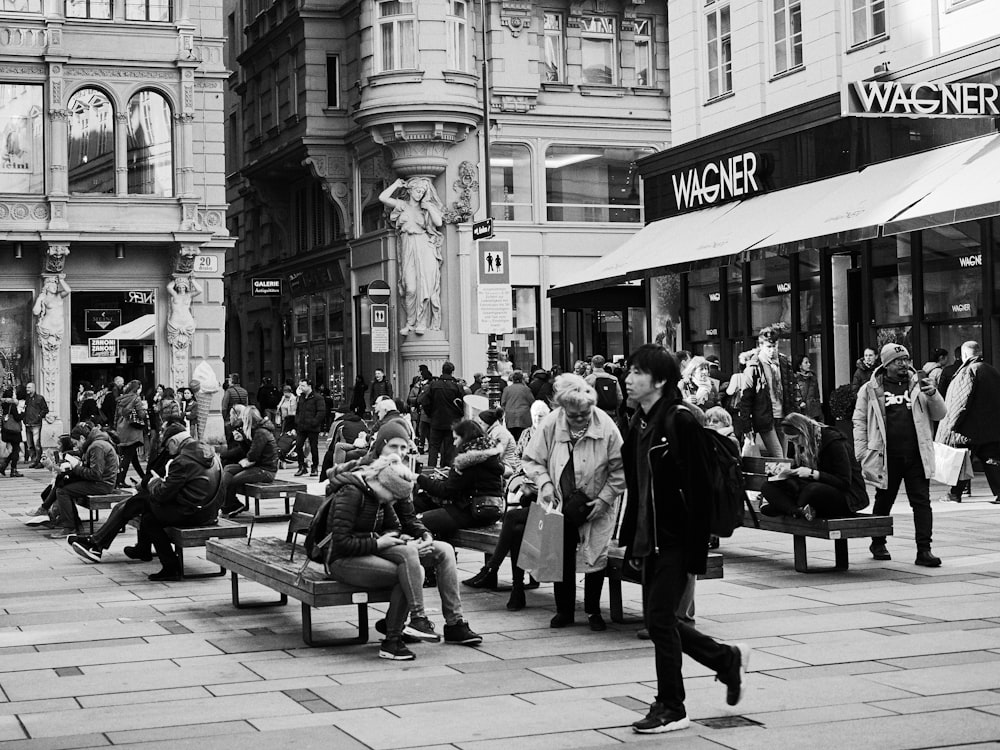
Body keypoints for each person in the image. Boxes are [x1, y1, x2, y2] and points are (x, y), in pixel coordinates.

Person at [619, 344, 749, 734]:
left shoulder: (680, 421)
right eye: (629, 371)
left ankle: (672, 706)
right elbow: (638, 486)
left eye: (637, 372)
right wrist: (631, 538)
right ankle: (725, 659)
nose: (628, 379)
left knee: (660, 621)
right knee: (661, 622)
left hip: (675, 538)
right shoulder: (639, 422)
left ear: (659, 381)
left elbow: (699, 489)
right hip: (649, 537)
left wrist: (696, 550)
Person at [325, 451, 481, 660]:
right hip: (343, 560)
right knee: (408, 568)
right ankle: (397, 635)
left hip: (374, 549)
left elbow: (395, 526)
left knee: (442, 550)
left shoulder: (380, 496)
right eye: (393, 496)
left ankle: (453, 623)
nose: (393, 501)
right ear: (384, 484)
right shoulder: (352, 493)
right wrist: (379, 543)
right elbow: (341, 542)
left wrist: (414, 538)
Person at [521, 373, 625, 631]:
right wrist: (544, 483)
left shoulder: (607, 426)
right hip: (558, 501)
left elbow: (621, 469)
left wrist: (605, 499)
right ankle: (564, 611)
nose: (580, 419)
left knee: (596, 556)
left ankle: (593, 611)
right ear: (562, 408)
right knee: (559, 554)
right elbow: (533, 459)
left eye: (584, 414)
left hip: (596, 501)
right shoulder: (550, 423)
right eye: (573, 415)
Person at [854, 343, 946, 566]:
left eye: (906, 359)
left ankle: (924, 550)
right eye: (898, 361)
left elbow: (940, 414)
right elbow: (859, 421)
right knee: (884, 500)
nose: (904, 364)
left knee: (922, 503)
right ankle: (878, 542)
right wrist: (863, 453)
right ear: (886, 364)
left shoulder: (919, 384)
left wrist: (933, 394)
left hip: (916, 454)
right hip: (886, 455)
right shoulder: (870, 388)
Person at [464, 399, 551, 609]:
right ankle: (516, 589)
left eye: (542, 416)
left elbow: (552, 473)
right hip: (533, 497)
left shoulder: (552, 439)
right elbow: (521, 465)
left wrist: (536, 484)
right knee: (517, 530)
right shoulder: (527, 434)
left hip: (549, 505)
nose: (539, 420)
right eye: (536, 417)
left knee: (512, 520)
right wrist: (520, 482)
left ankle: (494, 570)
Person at [67, 420, 186, 563]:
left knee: (132, 506)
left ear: (174, 439)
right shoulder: (170, 451)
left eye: (163, 431)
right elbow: (156, 474)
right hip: (160, 493)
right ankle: (101, 543)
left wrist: (148, 484)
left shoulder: (177, 456)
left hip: (169, 499)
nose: (160, 434)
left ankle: (95, 543)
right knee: (125, 506)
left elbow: (162, 479)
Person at [141, 427, 226, 580]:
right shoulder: (211, 455)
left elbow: (162, 494)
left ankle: (170, 567)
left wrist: (154, 482)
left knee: (149, 517)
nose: (167, 450)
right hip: (210, 512)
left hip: (192, 514)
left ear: (174, 441)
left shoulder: (181, 461)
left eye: (167, 446)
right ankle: (144, 549)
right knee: (148, 507)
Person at [759, 413, 869, 520]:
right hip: (811, 490)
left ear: (804, 432)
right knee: (767, 486)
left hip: (845, 496)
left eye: (795, 439)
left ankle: (786, 508)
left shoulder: (834, 442)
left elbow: (844, 482)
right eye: (791, 441)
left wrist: (813, 473)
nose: (795, 444)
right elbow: (799, 475)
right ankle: (797, 511)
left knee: (812, 490)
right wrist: (784, 472)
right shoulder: (800, 444)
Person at [415, 419, 505, 538]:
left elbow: (446, 491)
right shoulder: (489, 455)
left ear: (465, 438)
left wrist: (419, 479)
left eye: (456, 439)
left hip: (471, 512)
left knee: (418, 523)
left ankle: (438, 554)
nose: (454, 444)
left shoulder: (468, 461)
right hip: (490, 511)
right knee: (434, 514)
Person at [936, 341, 1000, 504]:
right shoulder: (992, 370)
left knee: (962, 461)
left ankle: (954, 494)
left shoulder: (968, 371)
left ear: (964, 355)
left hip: (969, 428)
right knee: (991, 459)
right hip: (990, 428)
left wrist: (949, 425)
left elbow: (960, 402)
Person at [379, 176, 444, 335]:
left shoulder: (425, 207)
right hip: (407, 245)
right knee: (410, 288)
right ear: (410, 190)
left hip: (424, 246)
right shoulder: (402, 205)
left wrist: (429, 207)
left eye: (422, 192)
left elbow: (439, 223)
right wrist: (395, 183)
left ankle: (422, 323)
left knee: (425, 286)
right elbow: (382, 198)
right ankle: (410, 323)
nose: (419, 194)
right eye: (417, 190)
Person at [50, 421, 120, 539]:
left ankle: (69, 527)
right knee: (63, 484)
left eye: (75, 443)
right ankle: (71, 523)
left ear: (82, 438)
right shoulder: (95, 443)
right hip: (102, 481)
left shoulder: (97, 446)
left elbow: (96, 474)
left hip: (102, 484)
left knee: (63, 491)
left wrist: (76, 467)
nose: (76, 446)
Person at [738, 324, 797, 458]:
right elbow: (746, 397)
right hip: (765, 417)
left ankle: (778, 478)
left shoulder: (783, 362)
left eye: (774, 346)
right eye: (768, 347)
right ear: (761, 346)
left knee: (783, 457)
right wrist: (746, 426)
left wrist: (794, 413)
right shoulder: (754, 365)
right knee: (778, 455)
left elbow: (790, 389)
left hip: (783, 415)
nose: (772, 350)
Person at [221, 407, 278, 517]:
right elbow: (250, 452)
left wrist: (247, 460)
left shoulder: (261, 432)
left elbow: (253, 455)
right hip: (257, 466)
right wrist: (242, 441)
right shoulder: (257, 430)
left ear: (248, 419)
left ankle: (230, 505)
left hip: (266, 470)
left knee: (234, 480)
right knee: (228, 469)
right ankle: (228, 504)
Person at [420, 361, 464, 468]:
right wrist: (458, 415)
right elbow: (462, 404)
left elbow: (424, 401)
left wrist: (430, 413)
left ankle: (431, 468)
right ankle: (446, 468)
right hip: (451, 421)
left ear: (442, 370)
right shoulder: (457, 387)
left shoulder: (433, 385)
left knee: (434, 447)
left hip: (436, 420)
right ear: (452, 371)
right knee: (449, 447)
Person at [114, 380, 148, 488]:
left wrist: (116, 428)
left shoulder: (121, 399)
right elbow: (141, 414)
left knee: (133, 458)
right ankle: (120, 480)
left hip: (121, 429)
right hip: (132, 431)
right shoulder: (136, 398)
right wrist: (144, 409)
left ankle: (144, 478)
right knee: (128, 457)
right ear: (137, 388)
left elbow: (116, 416)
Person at [294, 378, 326, 477]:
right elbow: (298, 410)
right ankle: (301, 466)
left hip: (312, 427)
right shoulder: (301, 397)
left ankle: (315, 467)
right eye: (300, 386)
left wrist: (314, 422)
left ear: (309, 386)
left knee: (313, 447)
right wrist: (297, 421)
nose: (301, 388)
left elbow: (321, 412)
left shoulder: (318, 397)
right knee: (298, 445)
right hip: (302, 426)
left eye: (303, 385)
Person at [477, 408, 518, 477]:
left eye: (481, 423)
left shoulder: (500, 433)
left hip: (508, 467)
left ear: (488, 423)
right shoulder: (493, 432)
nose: (479, 426)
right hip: (503, 465)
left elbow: (496, 457)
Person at [500, 370, 534, 441]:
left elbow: (503, 403)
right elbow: (532, 402)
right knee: (522, 437)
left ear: (512, 379)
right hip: (523, 416)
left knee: (512, 437)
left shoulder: (507, 389)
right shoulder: (526, 389)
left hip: (510, 416)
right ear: (522, 379)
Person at [21, 382, 49, 468]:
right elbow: (26, 410)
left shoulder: (40, 398)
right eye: (27, 388)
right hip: (28, 424)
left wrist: (39, 416)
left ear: (33, 388)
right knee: (30, 445)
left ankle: (39, 462)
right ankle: (34, 461)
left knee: (37, 444)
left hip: (36, 424)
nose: (27, 389)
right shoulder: (27, 399)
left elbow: (45, 409)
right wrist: (24, 419)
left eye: (29, 387)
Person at [0, 386, 24, 477]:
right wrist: (22, 413)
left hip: (6, 430)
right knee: (16, 450)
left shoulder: (3, 405)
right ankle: (13, 470)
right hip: (14, 431)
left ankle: (4, 466)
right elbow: (17, 417)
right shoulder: (12, 405)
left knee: (15, 449)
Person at [221, 374, 249, 447]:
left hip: (230, 417)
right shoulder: (244, 391)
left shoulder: (229, 391)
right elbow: (246, 406)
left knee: (230, 438)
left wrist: (224, 417)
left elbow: (224, 407)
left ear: (231, 381)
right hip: (241, 418)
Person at [794, 354, 823, 421]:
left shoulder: (813, 377)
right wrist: (799, 402)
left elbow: (817, 395)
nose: (809, 364)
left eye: (809, 362)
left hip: (814, 411)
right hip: (802, 411)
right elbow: (794, 393)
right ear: (800, 365)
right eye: (806, 363)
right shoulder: (795, 378)